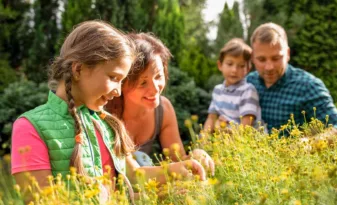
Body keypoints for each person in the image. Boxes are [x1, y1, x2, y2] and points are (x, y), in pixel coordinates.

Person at [11, 21, 206, 204]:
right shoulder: (30, 127)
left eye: (122, 81)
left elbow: (133, 176)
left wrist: (178, 171)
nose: (118, 91)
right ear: (78, 69)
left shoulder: (107, 124)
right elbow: (40, 200)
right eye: (114, 78)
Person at [105, 33, 214, 172]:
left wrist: (196, 155)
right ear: (122, 83)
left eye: (158, 76)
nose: (155, 89)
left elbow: (178, 160)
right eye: (143, 83)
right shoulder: (104, 111)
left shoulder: (163, 109)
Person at [246, 22, 337, 142]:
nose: (269, 67)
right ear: (252, 57)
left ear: (288, 54)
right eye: (261, 59)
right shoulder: (248, 82)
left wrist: (309, 144)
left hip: (293, 159)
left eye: (276, 58)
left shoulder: (308, 85)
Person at [204, 38, 263, 132]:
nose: (234, 70)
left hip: (243, 141)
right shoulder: (217, 90)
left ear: (248, 69)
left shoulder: (248, 91)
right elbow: (211, 118)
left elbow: (246, 128)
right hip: (223, 138)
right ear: (220, 65)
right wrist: (203, 140)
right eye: (229, 64)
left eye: (241, 66)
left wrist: (223, 130)